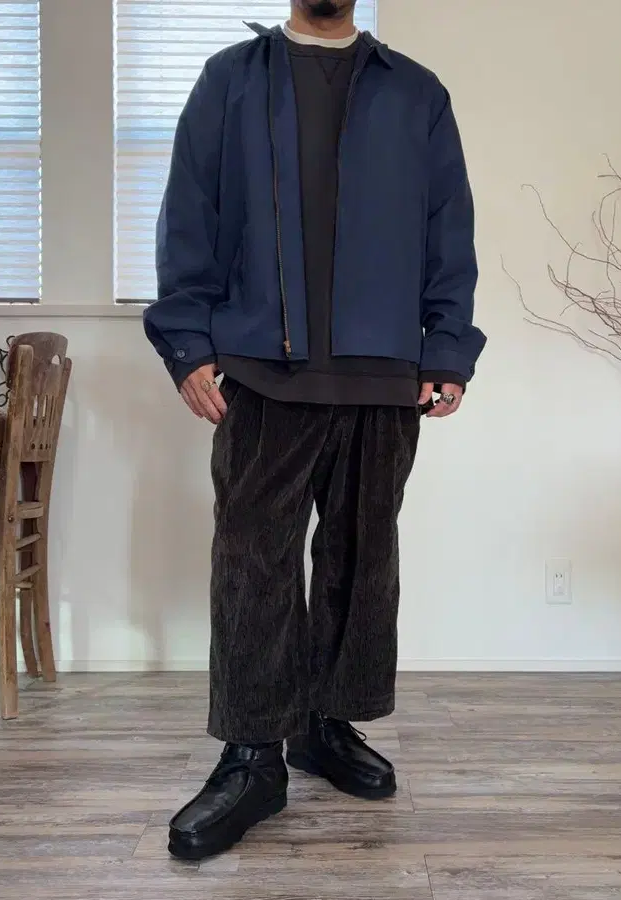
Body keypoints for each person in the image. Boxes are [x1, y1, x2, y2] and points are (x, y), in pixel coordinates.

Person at [144, 0, 485, 861]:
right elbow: (189, 213)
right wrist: (187, 342)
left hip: (386, 372)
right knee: (252, 560)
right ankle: (253, 756)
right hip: (264, 369)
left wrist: (447, 347)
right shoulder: (230, 80)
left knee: (362, 558)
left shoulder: (417, 93)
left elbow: (448, 229)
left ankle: (325, 726)